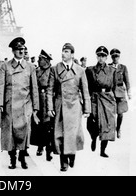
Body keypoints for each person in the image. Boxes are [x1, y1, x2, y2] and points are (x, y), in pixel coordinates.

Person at [47, 43, 90, 172]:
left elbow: (85, 91)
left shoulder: (80, 70)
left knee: (73, 133)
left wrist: (87, 109)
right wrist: (50, 107)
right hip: (60, 105)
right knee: (60, 133)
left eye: (66, 51)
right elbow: (50, 90)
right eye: (62, 51)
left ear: (72, 54)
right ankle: (63, 161)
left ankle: (72, 155)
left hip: (74, 105)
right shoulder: (55, 69)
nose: (63, 54)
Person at [0, 37, 39, 170]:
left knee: (24, 132)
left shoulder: (30, 67)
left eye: (23, 49)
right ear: (13, 51)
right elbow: (1, 86)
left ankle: (22, 155)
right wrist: (0, 103)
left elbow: (34, 88)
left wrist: (36, 106)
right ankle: (12, 158)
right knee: (10, 133)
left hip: (25, 105)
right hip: (10, 104)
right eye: (18, 49)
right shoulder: (5, 66)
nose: (21, 51)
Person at [86, 46, 116, 158]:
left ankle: (102, 150)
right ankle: (93, 137)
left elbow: (114, 87)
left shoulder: (112, 70)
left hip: (107, 98)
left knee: (107, 124)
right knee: (91, 121)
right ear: (96, 56)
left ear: (107, 57)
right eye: (99, 55)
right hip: (95, 97)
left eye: (103, 56)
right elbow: (87, 87)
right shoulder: (90, 70)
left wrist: (115, 102)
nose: (101, 58)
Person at [30, 49, 54, 161]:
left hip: (48, 100)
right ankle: (40, 147)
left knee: (48, 126)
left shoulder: (52, 71)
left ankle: (49, 150)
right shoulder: (36, 71)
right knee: (38, 125)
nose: (39, 61)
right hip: (38, 99)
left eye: (40, 59)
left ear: (46, 60)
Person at [109, 48, 131, 139]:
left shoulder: (123, 67)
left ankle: (118, 129)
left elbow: (127, 81)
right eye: (113, 56)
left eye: (117, 56)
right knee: (110, 112)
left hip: (121, 92)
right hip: (110, 92)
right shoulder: (108, 66)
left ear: (119, 57)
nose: (115, 58)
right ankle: (111, 130)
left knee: (120, 113)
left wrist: (129, 92)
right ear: (111, 57)